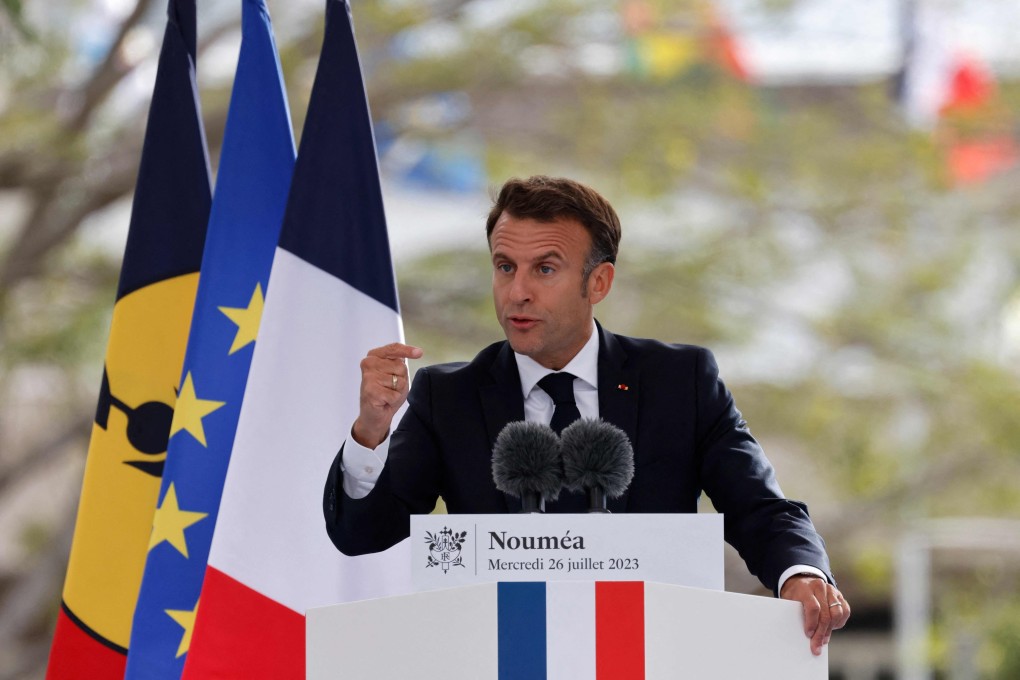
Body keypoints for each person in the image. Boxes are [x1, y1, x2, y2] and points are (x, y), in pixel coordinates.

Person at [323, 175, 850, 655]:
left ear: (598, 283)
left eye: (544, 269)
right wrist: (371, 430)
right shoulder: (448, 395)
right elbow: (361, 535)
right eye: (505, 267)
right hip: (503, 656)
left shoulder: (680, 381)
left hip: (650, 655)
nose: (517, 291)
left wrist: (800, 574)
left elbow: (759, 508)